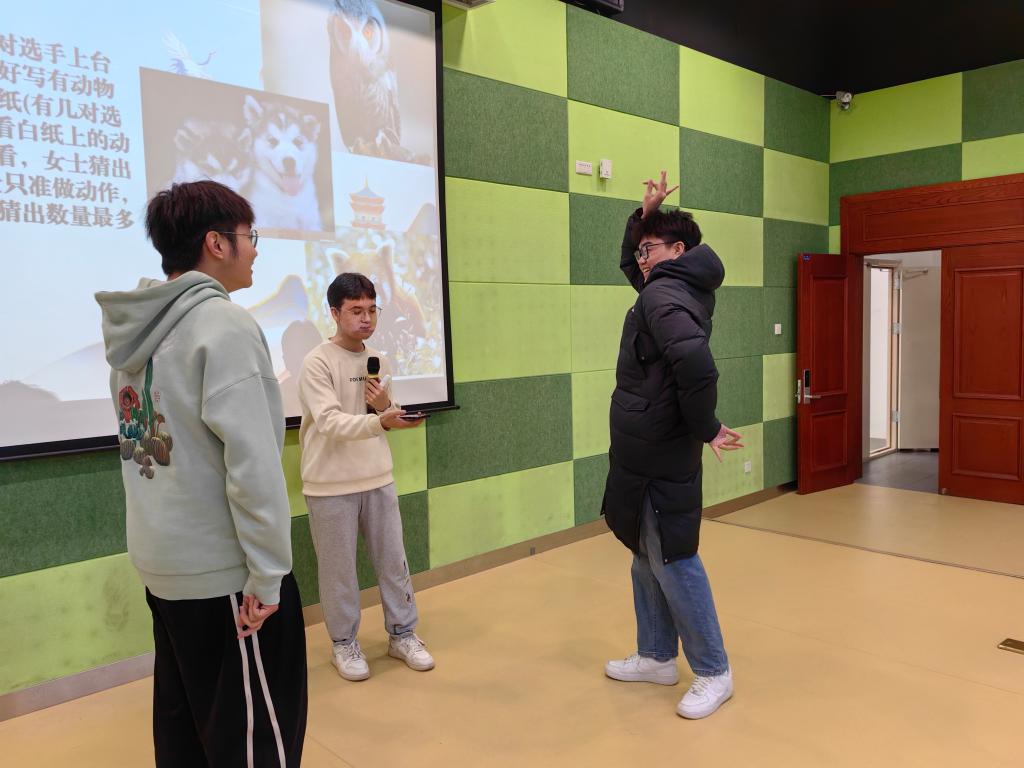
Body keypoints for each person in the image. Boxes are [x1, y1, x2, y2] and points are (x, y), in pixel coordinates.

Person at [95, 180, 307, 766]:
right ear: (216, 243)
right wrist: (268, 576)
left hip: (163, 567)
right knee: (253, 741)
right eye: (249, 236)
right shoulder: (224, 326)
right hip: (225, 578)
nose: (255, 249)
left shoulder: (134, 336)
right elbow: (254, 466)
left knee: (185, 732)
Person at [602, 171, 744, 720]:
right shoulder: (672, 285)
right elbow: (629, 264)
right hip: (647, 447)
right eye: (640, 249)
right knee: (645, 555)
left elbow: (695, 364)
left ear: (678, 251)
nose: (640, 259)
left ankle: (714, 670)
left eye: (650, 248)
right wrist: (644, 217)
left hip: (660, 449)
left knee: (673, 558)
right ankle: (657, 655)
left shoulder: (663, 293)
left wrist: (706, 426)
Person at [297, 272, 434, 681]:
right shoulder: (317, 362)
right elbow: (329, 422)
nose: (366, 318)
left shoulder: (379, 360)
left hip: (377, 477)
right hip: (329, 484)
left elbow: (382, 417)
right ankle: (344, 643)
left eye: (372, 310)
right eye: (356, 310)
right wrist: (380, 419)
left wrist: (388, 408)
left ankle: (402, 635)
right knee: (339, 572)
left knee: (393, 562)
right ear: (334, 313)